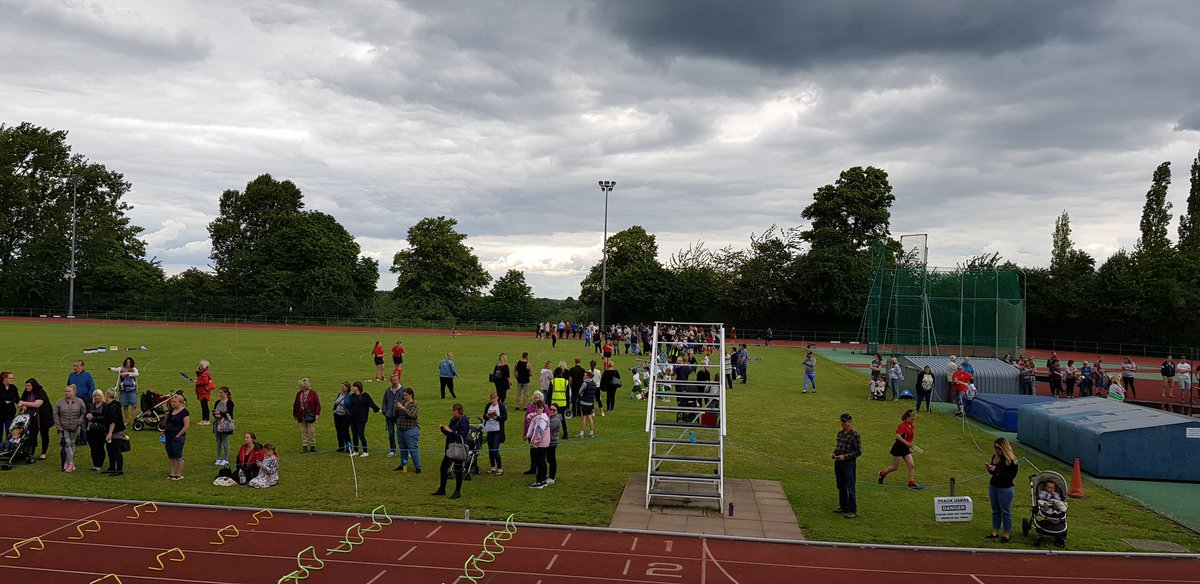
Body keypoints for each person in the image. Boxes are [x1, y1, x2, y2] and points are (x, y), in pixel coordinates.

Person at [431, 403, 471, 500]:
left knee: (458, 470)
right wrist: (444, 430)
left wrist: (451, 431)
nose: (452, 412)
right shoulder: (453, 420)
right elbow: (450, 434)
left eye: (454, 410)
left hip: (458, 449)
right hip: (450, 448)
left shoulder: (464, 421)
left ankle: (457, 491)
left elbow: (462, 436)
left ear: (459, 411)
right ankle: (442, 488)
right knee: (443, 467)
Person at [986, 437, 1019, 543]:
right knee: (995, 510)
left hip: (1005, 488)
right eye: (995, 448)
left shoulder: (1012, 461)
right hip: (994, 486)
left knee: (1005, 511)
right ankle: (995, 531)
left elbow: (1009, 476)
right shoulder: (995, 457)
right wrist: (990, 469)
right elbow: (994, 473)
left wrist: (996, 470)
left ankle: (1006, 534)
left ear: (1004, 448)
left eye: (999, 448)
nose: (997, 450)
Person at [878, 409, 918, 489]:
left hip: (905, 448)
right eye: (911, 419)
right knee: (895, 467)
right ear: (907, 418)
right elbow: (898, 436)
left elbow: (910, 438)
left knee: (911, 465)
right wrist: (906, 443)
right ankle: (882, 474)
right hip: (898, 447)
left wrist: (909, 447)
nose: (913, 421)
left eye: (914, 419)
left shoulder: (912, 426)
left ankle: (911, 483)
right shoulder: (902, 425)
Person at [832, 413, 861, 518]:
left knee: (850, 486)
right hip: (838, 463)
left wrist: (845, 456)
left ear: (850, 422)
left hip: (849, 464)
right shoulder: (840, 434)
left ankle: (853, 510)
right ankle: (843, 506)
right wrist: (834, 453)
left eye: (845, 421)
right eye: (842, 421)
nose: (843, 423)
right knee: (840, 485)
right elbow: (839, 447)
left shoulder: (855, 435)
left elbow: (858, 452)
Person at [53, 384, 87, 472]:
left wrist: (79, 421)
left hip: (75, 427)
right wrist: (58, 426)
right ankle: (70, 463)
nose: (67, 393)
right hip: (63, 428)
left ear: (74, 392)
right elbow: (55, 414)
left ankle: (68, 462)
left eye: (69, 391)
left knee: (72, 443)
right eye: (66, 391)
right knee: (67, 444)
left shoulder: (80, 402)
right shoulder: (60, 402)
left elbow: (83, 412)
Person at [16, 378, 52, 459]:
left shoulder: (41, 392)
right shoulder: (26, 392)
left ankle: (43, 452)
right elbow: (21, 401)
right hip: (31, 417)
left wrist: (24, 403)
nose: (27, 387)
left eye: (29, 385)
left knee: (44, 434)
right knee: (31, 434)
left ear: (33, 386)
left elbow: (37, 404)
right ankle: (30, 452)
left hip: (43, 417)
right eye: (26, 385)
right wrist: (23, 405)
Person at [348, 381, 380, 456]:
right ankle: (355, 451)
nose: (353, 388)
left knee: (361, 434)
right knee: (354, 434)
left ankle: (365, 451)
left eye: (354, 386)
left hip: (361, 419)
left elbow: (372, 404)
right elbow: (351, 406)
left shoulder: (365, 396)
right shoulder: (353, 396)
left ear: (358, 388)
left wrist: (378, 410)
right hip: (353, 418)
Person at [394, 387, 421, 473]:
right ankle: (403, 465)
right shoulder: (402, 402)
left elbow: (412, 415)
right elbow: (397, 415)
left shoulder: (414, 404)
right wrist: (397, 408)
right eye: (403, 395)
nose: (404, 397)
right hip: (400, 429)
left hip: (411, 430)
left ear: (411, 395)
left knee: (413, 449)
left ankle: (418, 467)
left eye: (406, 395)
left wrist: (402, 408)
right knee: (402, 449)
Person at [163, 393, 190, 481]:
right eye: (172, 402)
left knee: (178, 456)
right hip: (169, 436)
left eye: (175, 402)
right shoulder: (171, 411)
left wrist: (178, 435)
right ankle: (172, 473)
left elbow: (186, 426)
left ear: (180, 402)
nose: (172, 403)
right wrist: (165, 417)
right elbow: (166, 424)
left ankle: (179, 474)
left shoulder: (184, 412)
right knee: (171, 456)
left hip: (178, 437)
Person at [525, 401, 551, 489]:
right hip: (541, 443)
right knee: (542, 462)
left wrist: (535, 443)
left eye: (540, 408)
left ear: (543, 408)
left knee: (540, 463)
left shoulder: (542, 418)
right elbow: (529, 418)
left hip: (541, 444)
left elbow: (541, 432)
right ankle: (543, 480)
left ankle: (539, 481)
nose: (539, 409)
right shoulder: (539, 416)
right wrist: (535, 414)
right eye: (537, 408)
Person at [292, 378, 321, 453]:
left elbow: (317, 404)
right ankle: (304, 446)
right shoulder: (299, 394)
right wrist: (295, 414)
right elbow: (296, 404)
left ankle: (313, 445)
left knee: (311, 431)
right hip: (301, 415)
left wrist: (317, 414)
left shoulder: (313, 393)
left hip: (310, 415)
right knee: (303, 431)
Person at [108, 357, 139, 426]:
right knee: (125, 406)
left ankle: (135, 420)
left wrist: (127, 373)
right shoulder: (121, 369)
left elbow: (136, 374)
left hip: (132, 390)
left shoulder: (134, 369)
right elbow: (116, 369)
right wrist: (111, 369)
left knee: (134, 406)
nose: (128, 364)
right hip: (123, 391)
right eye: (127, 362)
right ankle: (126, 420)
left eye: (129, 362)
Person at [102, 388, 125, 475]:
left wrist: (110, 433)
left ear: (107, 395)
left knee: (116, 450)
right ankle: (112, 467)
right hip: (112, 430)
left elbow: (113, 421)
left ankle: (119, 469)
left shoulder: (113, 407)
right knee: (110, 450)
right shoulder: (112, 405)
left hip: (116, 431)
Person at [482, 392, 507, 475]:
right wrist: (487, 416)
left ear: (497, 398)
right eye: (491, 399)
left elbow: (505, 417)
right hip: (489, 430)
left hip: (497, 431)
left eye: (494, 399)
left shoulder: (501, 406)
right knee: (490, 449)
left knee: (495, 449)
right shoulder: (488, 405)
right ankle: (492, 466)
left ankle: (499, 468)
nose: (492, 400)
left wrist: (496, 417)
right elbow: (484, 416)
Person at [84, 389, 107, 471]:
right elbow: (86, 414)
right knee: (93, 447)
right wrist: (87, 416)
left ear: (102, 396)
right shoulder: (90, 405)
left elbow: (105, 417)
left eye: (98, 395)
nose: (97, 397)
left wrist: (93, 418)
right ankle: (95, 464)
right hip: (90, 430)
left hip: (101, 430)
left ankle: (100, 464)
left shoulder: (105, 406)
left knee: (100, 447)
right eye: (95, 396)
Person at [381, 373, 404, 457]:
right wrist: (385, 411)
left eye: (396, 380)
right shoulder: (388, 391)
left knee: (401, 434)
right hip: (389, 416)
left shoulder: (403, 390)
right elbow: (384, 402)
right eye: (393, 380)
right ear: (391, 381)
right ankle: (393, 450)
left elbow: (406, 402)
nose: (395, 382)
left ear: (398, 380)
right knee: (391, 434)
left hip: (399, 416)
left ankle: (405, 450)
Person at [211, 386, 235, 466]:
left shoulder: (230, 403)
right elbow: (214, 412)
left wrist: (220, 414)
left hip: (225, 424)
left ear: (226, 393)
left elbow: (229, 414)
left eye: (221, 393)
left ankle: (225, 459)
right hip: (217, 423)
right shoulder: (217, 402)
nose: (219, 394)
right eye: (219, 393)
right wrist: (215, 414)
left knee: (225, 441)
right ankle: (219, 458)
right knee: (218, 441)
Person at [576, 371, 598, 438]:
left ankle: (581, 433)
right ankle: (591, 432)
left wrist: (582, 394)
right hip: (590, 402)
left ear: (588, 376)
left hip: (584, 402)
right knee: (590, 416)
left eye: (585, 375)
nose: (584, 376)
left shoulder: (585, 383)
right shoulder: (594, 383)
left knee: (583, 417)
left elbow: (579, 391)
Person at [332, 381, 353, 452]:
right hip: (337, 414)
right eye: (341, 386)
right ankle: (341, 446)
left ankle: (348, 447)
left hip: (345, 415)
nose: (342, 388)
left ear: (347, 387)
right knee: (339, 431)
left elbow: (350, 405)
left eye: (343, 386)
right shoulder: (340, 394)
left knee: (345, 431)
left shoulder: (350, 395)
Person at [194, 360, 214, 426]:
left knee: (205, 406)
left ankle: (207, 420)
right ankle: (203, 419)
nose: (199, 366)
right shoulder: (203, 372)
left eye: (201, 365)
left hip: (204, 392)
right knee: (203, 406)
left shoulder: (205, 373)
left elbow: (205, 382)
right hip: (202, 391)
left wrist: (197, 382)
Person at [546, 403, 561, 485]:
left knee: (552, 459)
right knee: (549, 458)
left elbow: (548, 429)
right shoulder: (551, 417)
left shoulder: (556, 420)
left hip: (552, 442)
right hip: (549, 441)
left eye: (554, 410)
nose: (551, 411)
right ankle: (550, 475)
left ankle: (552, 477)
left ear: (557, 411)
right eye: (550, 409)